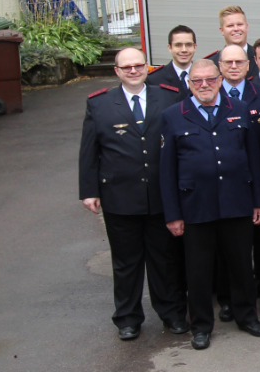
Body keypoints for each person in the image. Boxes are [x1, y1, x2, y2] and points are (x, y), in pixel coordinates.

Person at [79, 47, 187, 340]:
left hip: (161, 195)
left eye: (138, 66)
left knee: (164, 260)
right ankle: (127, 318)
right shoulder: (100, 104)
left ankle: (172, 313)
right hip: (120, 196)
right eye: (126, 67)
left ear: (147, 68)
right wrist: (88, 190)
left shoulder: (168, 95)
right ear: (117, 71)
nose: (133, 71)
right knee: (126, 262)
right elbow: (90, 150)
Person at [159, 60, 260, 350]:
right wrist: (173, 214)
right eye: (197, 81)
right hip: (196, 206)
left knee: (242, 265)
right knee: (198, 270)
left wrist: (259, 201)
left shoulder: (239, 109)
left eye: (210, 80)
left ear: (220, 80)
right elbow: (167, 170)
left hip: (236, 202)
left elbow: (253, 161)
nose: (204, 85)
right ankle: (201, 326)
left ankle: (247, 317)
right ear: (189, 84)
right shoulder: (173, 115)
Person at [217, 44, 260, 314]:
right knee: (229, 246)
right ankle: (228, 298)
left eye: (239, 62)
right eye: (228, 62)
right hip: (228, 183)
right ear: (220, 66)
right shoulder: (210, 95)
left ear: (249, 65)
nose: (234, 67)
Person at [146, 25, 198, 96]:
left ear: (195, 47)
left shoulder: (206, 75)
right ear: (170, 48)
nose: (184, 50)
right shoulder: (154, 79)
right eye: (178, 45)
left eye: (188, 45)